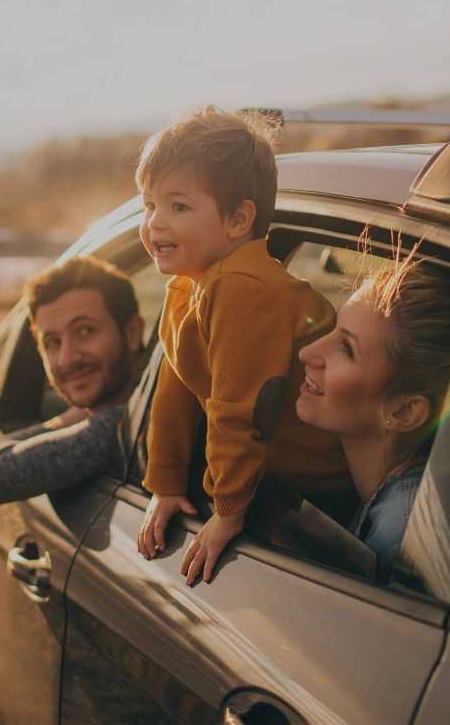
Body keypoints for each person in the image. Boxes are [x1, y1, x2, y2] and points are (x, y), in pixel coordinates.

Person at [133, 106, 350, 586]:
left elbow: (239, 409)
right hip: (282, 482)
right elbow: (177, 388)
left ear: (237, 220)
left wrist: (227, 511)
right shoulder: (190, 286)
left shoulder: (241, 288)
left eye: (178, 206)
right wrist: (166, 484)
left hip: (321, 491)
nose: (155, 224)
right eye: (149, 206)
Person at [295, 252, 450, 583]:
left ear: (403, 412)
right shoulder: (403, 500)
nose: (307, 353)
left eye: (346, 349)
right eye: (333, 329)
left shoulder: (399, 538)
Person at [0, 256, 146, 506]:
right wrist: (76, 417)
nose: (67, 358)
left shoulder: (127, 427)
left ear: (132, 333)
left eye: (85, 331)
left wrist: (67, 420)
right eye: (52, 343)